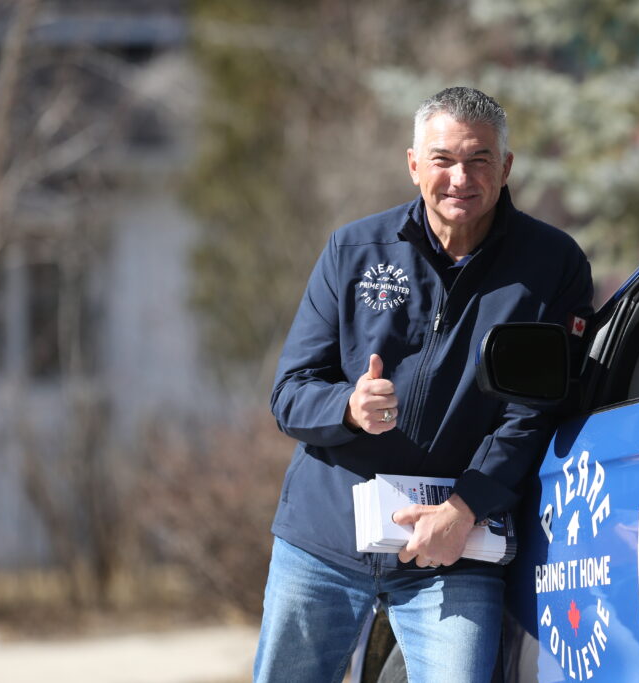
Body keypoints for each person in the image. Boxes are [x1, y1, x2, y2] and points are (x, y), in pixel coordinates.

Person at [254, 86, 593, 683]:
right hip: (324, 543)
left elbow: (534, 413)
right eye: (443, 160)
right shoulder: (353, 250)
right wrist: (349, 407)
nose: (460, 178)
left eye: (479, 159)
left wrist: (464, 510)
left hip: (456, 546)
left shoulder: (552, 265)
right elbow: (289, 393)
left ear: (506, 167)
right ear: (414, 165)